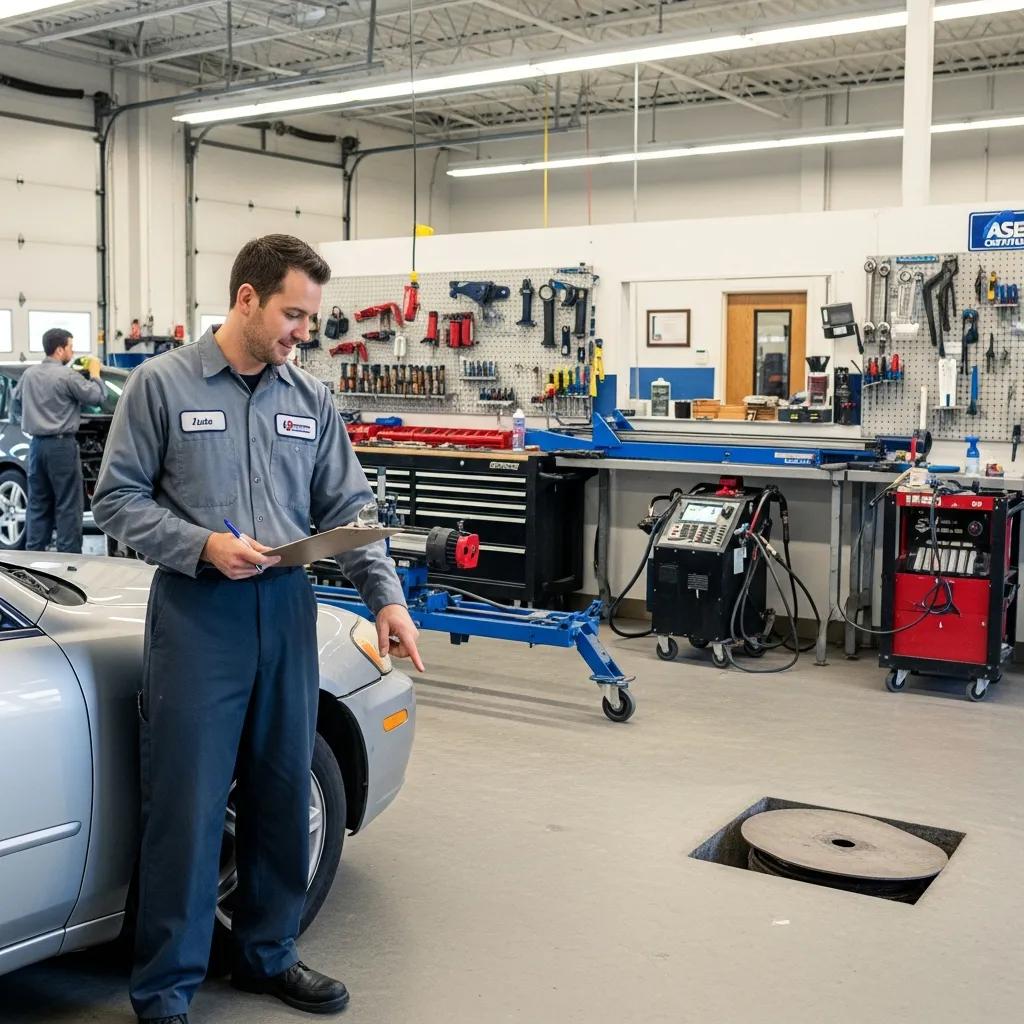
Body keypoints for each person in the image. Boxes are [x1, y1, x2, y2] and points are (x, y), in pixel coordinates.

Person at [91, 234, 424, 1024]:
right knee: (189, 803)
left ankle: (267, 956)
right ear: (247, 298)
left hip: (287, 611)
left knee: (282, 788)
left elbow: (348, 511)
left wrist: (387, 597)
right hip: (199, 612)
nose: (302, 333)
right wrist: (202, 544)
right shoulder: (161, 386)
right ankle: (166, 989)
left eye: (308, 319)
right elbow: (116, 499)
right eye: (293, 315)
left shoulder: (307, 399)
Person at [12, 327, 104, 552]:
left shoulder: (29, 375)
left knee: (38, 505)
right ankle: (69, 563)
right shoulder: (67, 375)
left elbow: (15, 404)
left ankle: (32, 563)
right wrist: (95, 373)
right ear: (60, 349)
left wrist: (35, 417)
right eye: (70, 347)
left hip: (36, 446)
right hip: (62, 447)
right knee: (68, 507)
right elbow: (97, 397)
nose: (72, 352)